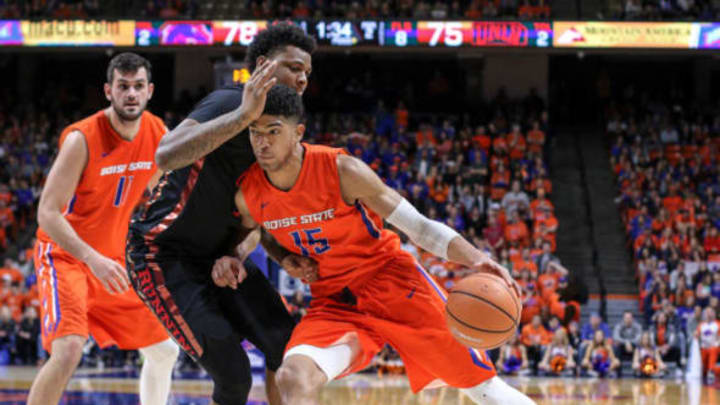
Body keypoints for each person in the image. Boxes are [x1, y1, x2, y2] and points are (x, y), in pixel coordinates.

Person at [231, 85, 535, 405]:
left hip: (392, 283)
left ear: (298, 133)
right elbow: (255, 230)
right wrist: (271, 256)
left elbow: (418, 227)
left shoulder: (342, 170)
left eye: (273, 131)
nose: (262, 141)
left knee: (482, 387)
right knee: (292, 376)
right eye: (254, 132)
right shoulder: (249, 192)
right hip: (335, 300)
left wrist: (475, 259)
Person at [126, 23, 317, 405]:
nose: (301, 79)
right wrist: (245, 115)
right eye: (294, 68)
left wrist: (264, 254)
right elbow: (166, 153)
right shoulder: (230, 102)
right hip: (161, 255)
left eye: (307, 74)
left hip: (218, 255)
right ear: (263, 65)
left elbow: (257, 213)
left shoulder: (283, 133)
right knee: (233, 376)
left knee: (288, 345)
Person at [28, 53, 178, 405]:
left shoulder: (158, 134)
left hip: (112, 260)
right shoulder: (82, 139)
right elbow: (47, 213)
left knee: (165, 349)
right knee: (67, 351)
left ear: (150, 91)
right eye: (123, 86)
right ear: (108, 91)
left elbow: (170, 192)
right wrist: (91, 259)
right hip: (65, 257)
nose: (131, 94)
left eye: (138, 86)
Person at [696, 307, 720, 381]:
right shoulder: (701, 325)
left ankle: (711, 371)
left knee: (713, 350)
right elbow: (697, 335)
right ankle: (710, 370)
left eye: (711, 312)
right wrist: (696, 334)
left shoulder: (718, 324)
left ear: (713, 314)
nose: (709, 314)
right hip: (703, 348)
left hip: (714, 347)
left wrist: (717, 344)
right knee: (703, 371)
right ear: (705, 314)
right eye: (707, 312)